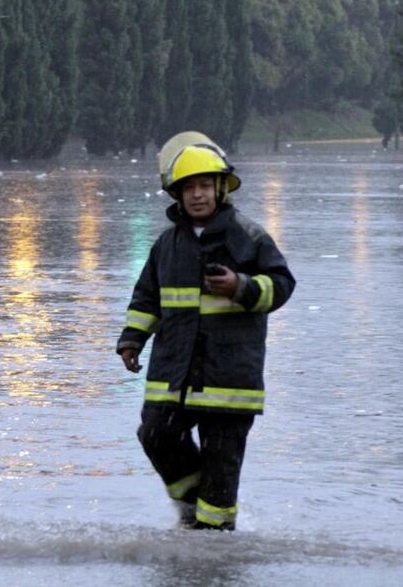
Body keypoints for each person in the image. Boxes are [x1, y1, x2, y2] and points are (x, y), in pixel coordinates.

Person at [117, 131, 295, 531]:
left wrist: (242, 287)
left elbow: (283, 285)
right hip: (173, 376)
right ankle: (192, 512)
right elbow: (147, 298)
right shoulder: (166, 245)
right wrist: (132, 339)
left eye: (203, 186)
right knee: (155, 436)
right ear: (177, 195)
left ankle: (215, 554)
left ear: (219, 188)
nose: (197, 195)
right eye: (188, 188)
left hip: (229, 383)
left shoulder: (248, 238)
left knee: (221, 474)